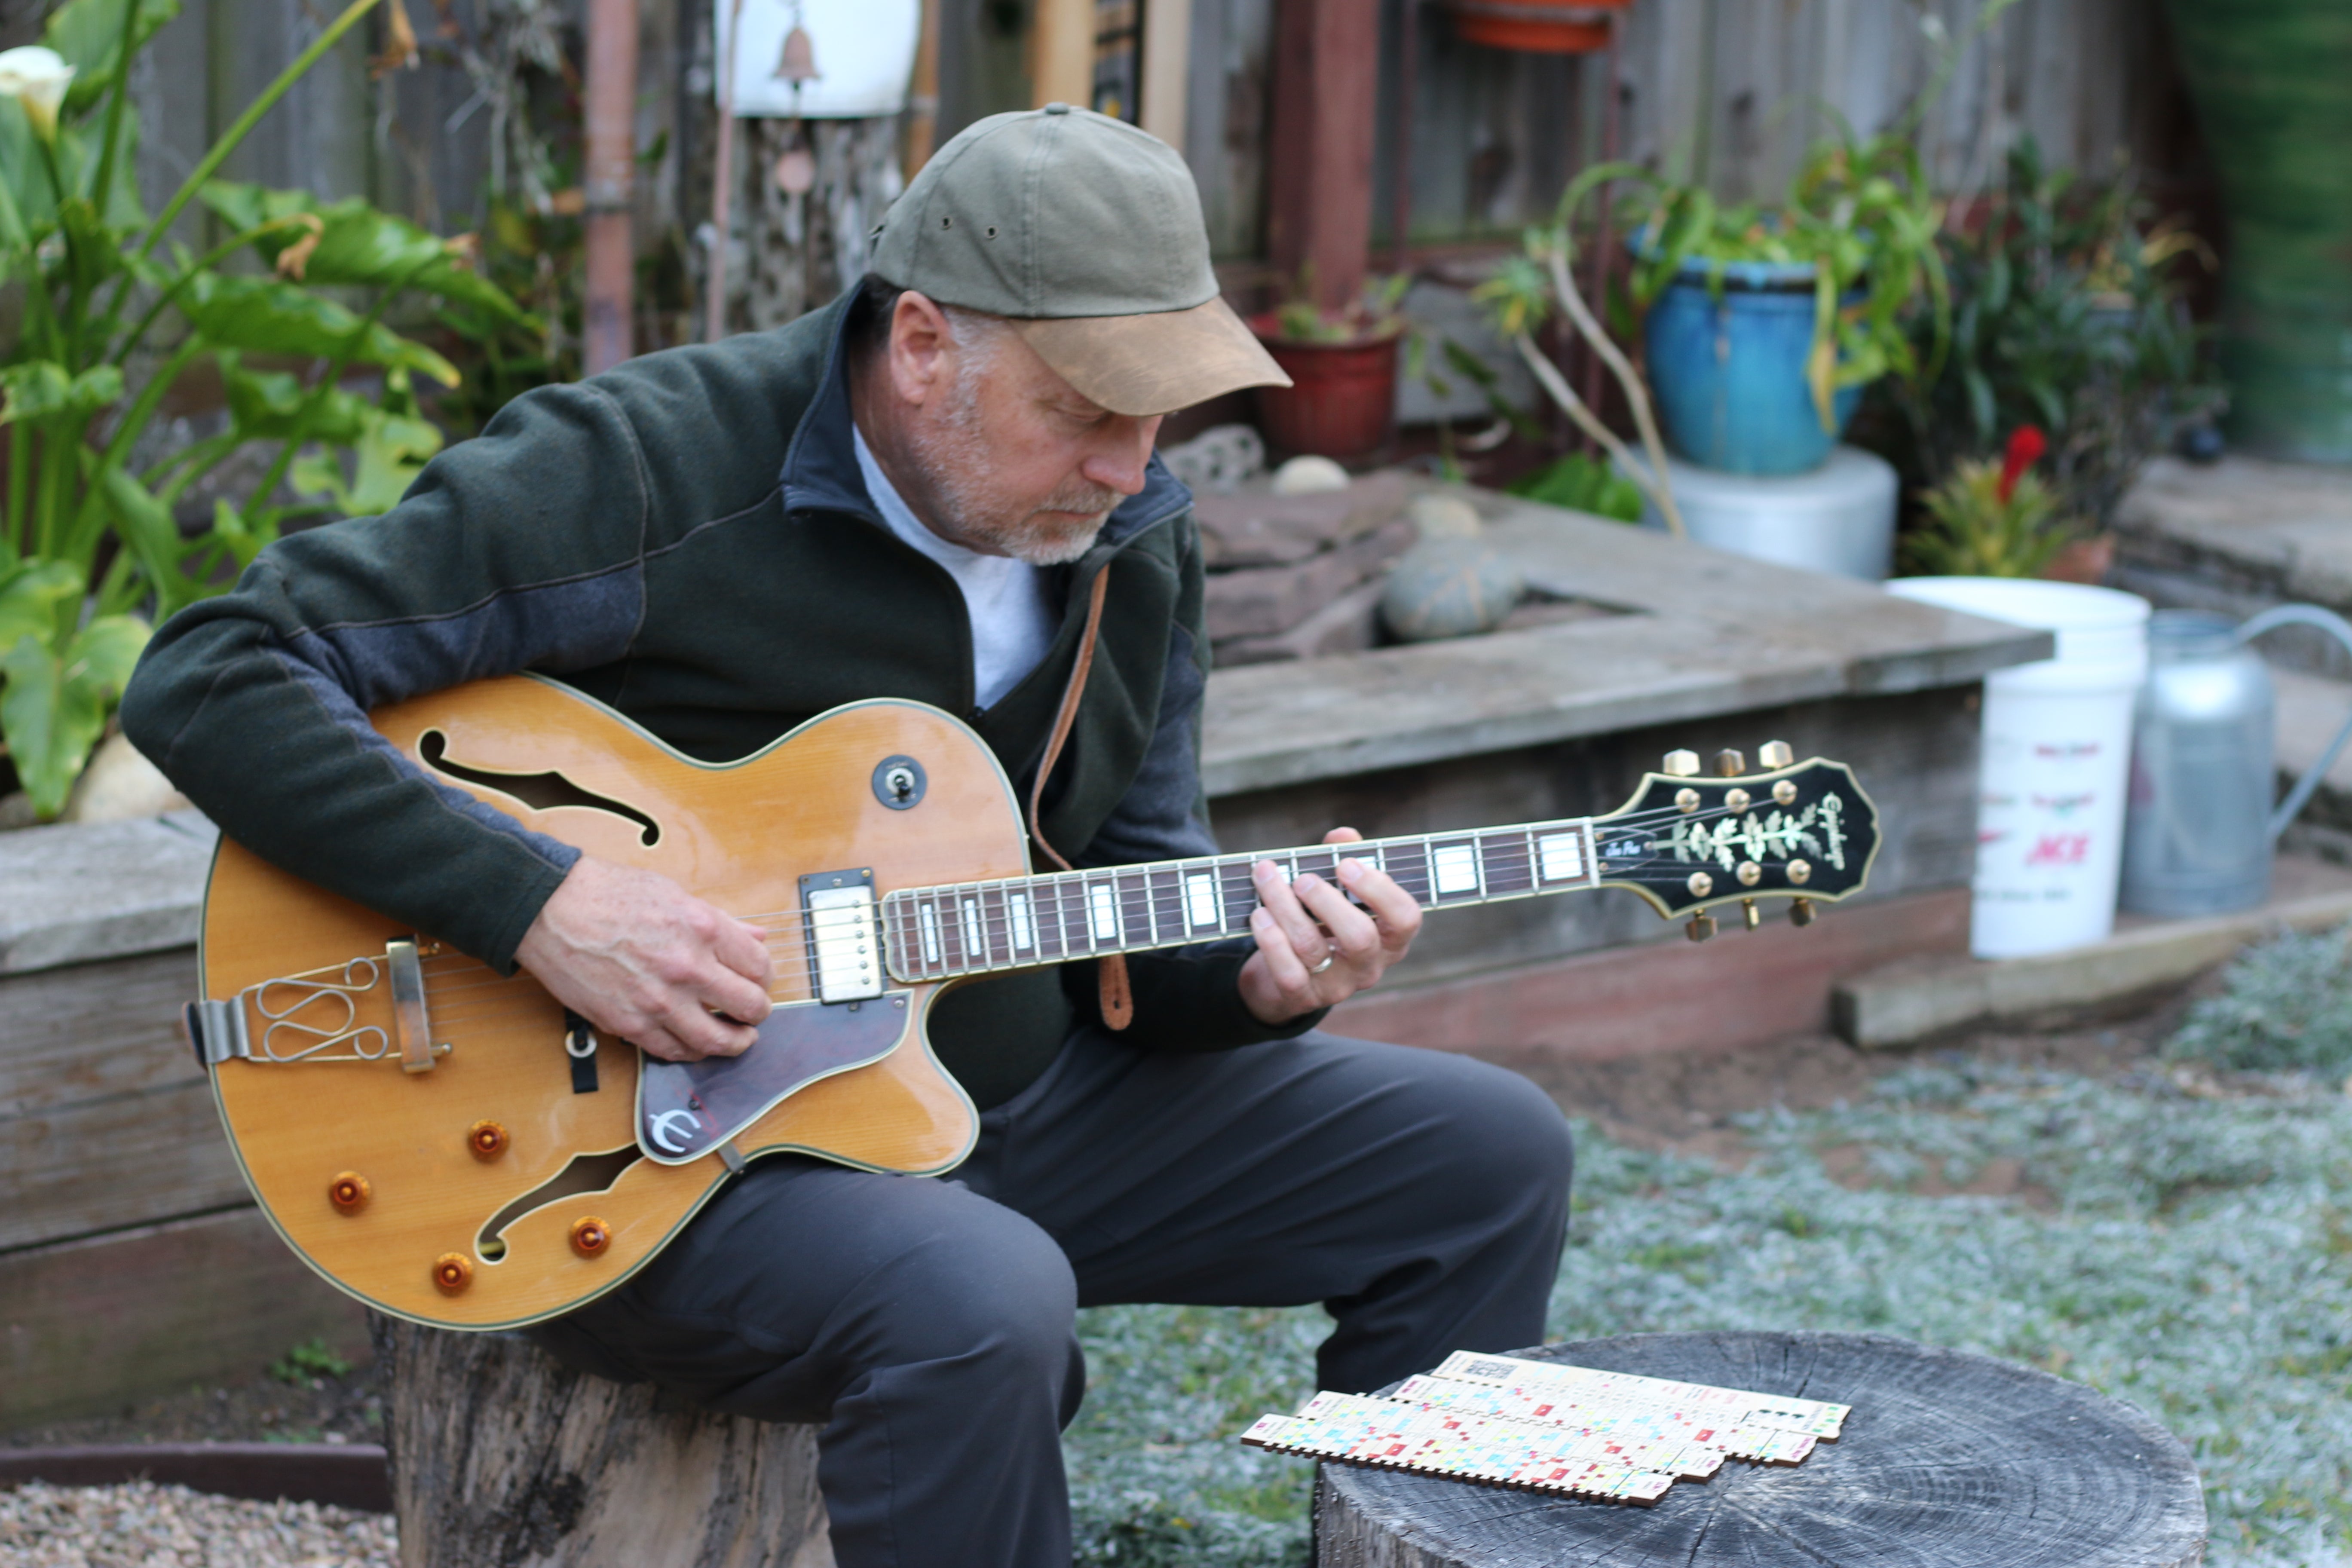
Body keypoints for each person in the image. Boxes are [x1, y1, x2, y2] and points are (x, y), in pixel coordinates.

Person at [121, 105, 1573, 1567]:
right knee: (977, 1303)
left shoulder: (1134, 540)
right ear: (927, 344)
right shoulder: (646, 470)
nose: (1132, 466)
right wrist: (541, 905)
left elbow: (1133, 890)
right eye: (1084, 410)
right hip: (672, 1158)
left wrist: (1264, 983)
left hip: (1006, 1099)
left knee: (1488, 1155)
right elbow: (216, 672)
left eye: (1158, 415)